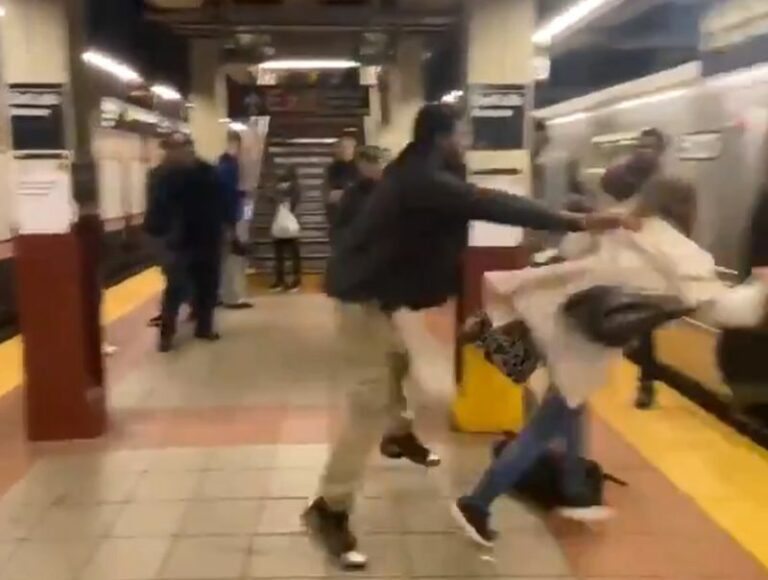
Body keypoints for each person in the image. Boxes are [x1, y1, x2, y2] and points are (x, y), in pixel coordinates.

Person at [302, 103, 633, 570]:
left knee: (399, 365)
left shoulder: (418, 171)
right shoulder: (422, 178)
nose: (468, 142)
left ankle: (397, 434)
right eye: (463, 134)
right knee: (369, 402)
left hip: (380, 298)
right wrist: (576, 220)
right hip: (362, 299)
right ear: (442, 136)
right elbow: (489, 202)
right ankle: (329, 508)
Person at [453, 175, 768, 547]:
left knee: (572, 407)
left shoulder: (619, 224)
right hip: (581, 348)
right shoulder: (681, 253)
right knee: (545, 426)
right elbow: (720, 308)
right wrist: (761, 292)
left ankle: (575, 492)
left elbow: (571, 246)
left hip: (556, 324)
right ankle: (476, 504)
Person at [145, 135, 236, 352]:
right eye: (171, 150)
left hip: (206, 236)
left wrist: (228, 227)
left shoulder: (207, 172)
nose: (174, 154)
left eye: (178, 149)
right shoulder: (161, 175)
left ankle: (204, 326)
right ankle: (167, 333)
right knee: (176, 287)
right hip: (177, 240)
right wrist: (157, 237)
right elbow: (156, 209)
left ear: (189, 150)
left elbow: (222, 201)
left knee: (207, 284)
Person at [601, 127, 668, 409]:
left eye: (651, 146)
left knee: (645, 327)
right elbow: (608, 185)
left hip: (653, 263)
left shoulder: (666, 184)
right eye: (641, 145)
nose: (645, 151)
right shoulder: (625, 175)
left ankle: (646, 382)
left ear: (661, 151)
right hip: (624, 258)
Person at [146, 134, 195, 327]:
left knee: (179, 276)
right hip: (166, 234)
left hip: (178, 233)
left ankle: (175, 315)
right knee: (176, 276)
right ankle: (171, 318)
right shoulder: (160, 174)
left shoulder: (189, 174)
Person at [217, 132, 252, 310]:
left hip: (225, 218)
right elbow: (227, 195)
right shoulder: (228, 167)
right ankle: (230, 297)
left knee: (225, 259)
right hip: (228, 219)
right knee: (230, 259)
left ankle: (221, 295)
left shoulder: (223, 165)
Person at [270, 165, 302, 292]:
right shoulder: (296, 188)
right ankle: (295, 280)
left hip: (280, 223)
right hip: (291, 224)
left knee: (280, 254)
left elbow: (271, 197)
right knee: (293, 254)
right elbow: (296, 203)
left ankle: (280, 280)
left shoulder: (277, 188)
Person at [323, 134, 359, 238]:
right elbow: (328, 192)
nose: (344, 150)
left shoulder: (359, 167)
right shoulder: (332, 169)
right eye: (342, 147)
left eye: (348, 147)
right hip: (338, 213)